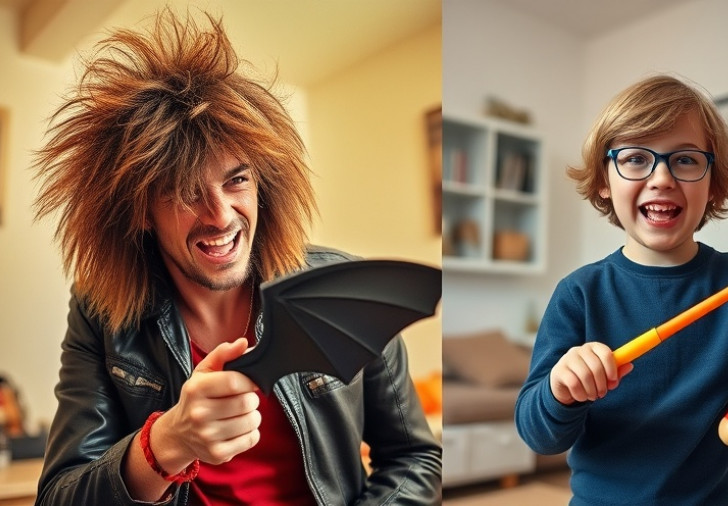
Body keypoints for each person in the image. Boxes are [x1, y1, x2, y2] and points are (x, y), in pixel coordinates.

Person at [32, 8, 441, 505]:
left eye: (237, 180)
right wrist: (166, 444)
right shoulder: (102, 312)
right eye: (184, 190)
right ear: (140, 211)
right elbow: (59, 496)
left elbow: (416, 459)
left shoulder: (343, 288)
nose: (221, 216)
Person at [514, 75, 728, 505]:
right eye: (635, 158)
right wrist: (560, 389)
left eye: (687, 160)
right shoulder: (579, 293)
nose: (661, 178)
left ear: (713, 184)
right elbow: (538, 436)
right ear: (604, 180)